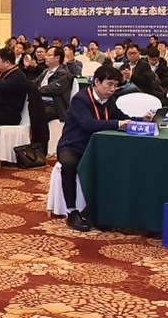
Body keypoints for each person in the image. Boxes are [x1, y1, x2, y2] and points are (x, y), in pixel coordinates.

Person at [56, 65, 155, 232]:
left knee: (118, 164)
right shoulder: (81, 99)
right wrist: (118, 124)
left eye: (115, 85)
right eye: (109, 84)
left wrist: (141, 120)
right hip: (73, 145)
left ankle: (98, 211)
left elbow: (121, 118)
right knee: (69, 165)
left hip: (97, 146)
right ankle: (72, 212)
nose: (113, 89)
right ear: (97, 82)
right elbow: (88, 124)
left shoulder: (109, 100)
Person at [28, 45, 72, 159]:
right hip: (41, 102)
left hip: (55, 106)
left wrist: (36, 90)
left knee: (38, 115)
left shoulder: (64, 74)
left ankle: (40, 148)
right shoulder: (46, 71)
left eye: (48, 55)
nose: (45, 57)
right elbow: (34, 83)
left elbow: (53, 89)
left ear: (57, 58)